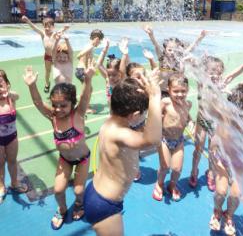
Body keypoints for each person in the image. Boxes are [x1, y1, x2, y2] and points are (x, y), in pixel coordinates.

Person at [83, 69, 162, 236]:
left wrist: (143, 83)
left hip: (98, 194)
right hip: (104, 204)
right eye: (144, 114)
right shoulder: (120, 133)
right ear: (134, 115)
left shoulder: (113, 120)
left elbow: (123, 93)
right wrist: (155, 97)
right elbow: (153, 139)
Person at [23, 61, 96, 230]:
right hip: (65, 160)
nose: (57, 109)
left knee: (78, 191)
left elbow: (85, 96)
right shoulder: (53, 118)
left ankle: (79, 204)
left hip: (83, 159)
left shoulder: (78, 114)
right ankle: (62, 209)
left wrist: (88, 79)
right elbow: (38, 103)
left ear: (72, 103)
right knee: (58, 190)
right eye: (55, 105)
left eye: (63, 105)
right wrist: (32, 85)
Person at [189, 56, 243, 191]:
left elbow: (232, 75)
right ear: (205, 71)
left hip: (215, 122)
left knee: (212, 150)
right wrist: (193, 61)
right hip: (202, 120)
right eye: (213, 71)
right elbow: (196, 69)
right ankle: (194, 170)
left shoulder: (222, 84)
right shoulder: (202, 83)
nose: (216, 74)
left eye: (219, 72)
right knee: (198, 147)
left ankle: (210, 173)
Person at [208, 72, 243, 235]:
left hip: (240, 162)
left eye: (241, 113)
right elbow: (211, 107)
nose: (237, 117)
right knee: (220, 193)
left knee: (236, 195)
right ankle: (217, 211)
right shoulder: (223, 117)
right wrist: (214, 89)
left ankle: (229, 215)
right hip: (222, 160)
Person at [152, 74, 192, 201]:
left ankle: (172, 185)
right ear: (169, 90)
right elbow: (154, 115)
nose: (180, 94)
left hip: (179, 140)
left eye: (183, 91)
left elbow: (187, 116)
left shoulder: (188, 104)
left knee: (177, 168)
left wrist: (190, 122)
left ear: (188, 90)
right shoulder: (165, 102)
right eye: (176, 91)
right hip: (164, 139)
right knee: (165, 166)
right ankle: (159, 184)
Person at [143, 25, 207, 96]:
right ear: (165, 50)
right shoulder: (162, 58)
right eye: (170, 50)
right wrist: (151, 34)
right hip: (163, 91)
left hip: (177, 92)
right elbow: (155, 44)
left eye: (175, 50)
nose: (172, 52)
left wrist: (200, 37)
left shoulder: (181, 58)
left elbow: (192, 47)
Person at [21, 15, 70, 93]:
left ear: (53, 27)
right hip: (47, 57)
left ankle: (60, 83)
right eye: (45, 26)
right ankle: (47, 84)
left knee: (58, 71)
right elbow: (34, 27)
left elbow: (61, 31)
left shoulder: (55, 34)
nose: (47, 28)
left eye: (49, 26)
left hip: (56, 57)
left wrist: (65, 28)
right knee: (47, 72)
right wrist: (27, 20)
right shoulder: (43, 34)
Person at [0, 70, 28, 204]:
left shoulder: (11, 98)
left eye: (1, 82)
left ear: (7, 84)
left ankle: (14, 182)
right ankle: (0, 186)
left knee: (12, 160)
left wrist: (9, 93)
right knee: (0, 163)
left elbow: (17, 95)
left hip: (11, 137)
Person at [75, 29, 104, 113]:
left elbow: (87, 58)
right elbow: (79, 56)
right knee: (88, 90)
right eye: (100, 41)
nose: (99, 43)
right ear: (96, 39)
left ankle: (85, 104)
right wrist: (85, 69)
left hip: (81, 70)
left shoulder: (89, 46)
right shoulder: (90, 47)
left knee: (88, 89)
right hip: (82, 70)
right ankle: (85, 107)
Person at [97, 38, 129, 104]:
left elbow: (125, 66)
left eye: (114, 75)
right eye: (109, 74)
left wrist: (125, 53)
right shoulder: (107, 78)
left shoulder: (122, 79)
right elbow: (99, 65)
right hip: (112, 109)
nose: (111, 77)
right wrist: (105, 49)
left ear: (119, 73)